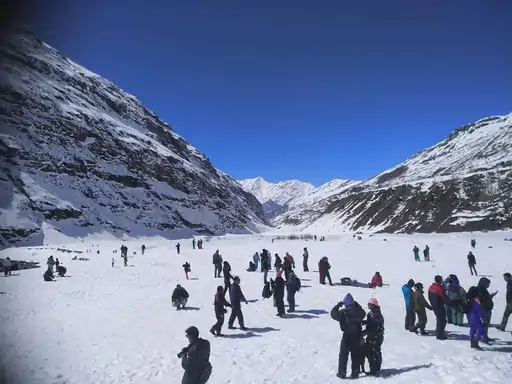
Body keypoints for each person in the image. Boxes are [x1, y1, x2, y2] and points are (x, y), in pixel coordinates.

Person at [330, 293, 366, 379]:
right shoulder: (358, 312)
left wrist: (338, 305)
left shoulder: (342, 312)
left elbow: (333, 314)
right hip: (356, 335)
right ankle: (355, 373)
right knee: (355, 354)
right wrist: (356, 304)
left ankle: (342, 373)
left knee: (343, 355)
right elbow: (363, 313)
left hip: (347, 336)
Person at [363, 298, 384, 376]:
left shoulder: (377, 315)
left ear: (374, 305)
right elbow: (370, 324)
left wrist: (365, 332)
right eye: (368, 304)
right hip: (371, 336)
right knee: (369, 353)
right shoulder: (371, 313)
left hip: (376, 337)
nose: (368, 305)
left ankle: (376, 369)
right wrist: (366, 322)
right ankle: (373, 368)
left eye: (370, 304)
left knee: (376, 352)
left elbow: (374, 327)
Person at [428, 275, 449, 340]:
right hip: (440, 307)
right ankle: (440, 335)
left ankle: (439, 333)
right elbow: (444, 297)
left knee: (439, 320)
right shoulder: (439, 288)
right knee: (442, 321)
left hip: (435, 306)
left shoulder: (431, 287)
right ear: (439, 280)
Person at [477, 277, 497, 343]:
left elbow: (485, 298)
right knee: (484, 324)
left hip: (486, 309)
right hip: (484, 309)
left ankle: (485, 337)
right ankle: (483, 338)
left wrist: (491, 296)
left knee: (485, 324)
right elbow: (483, 300)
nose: (488, 285)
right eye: (488, 284)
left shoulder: (483, 290)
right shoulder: (481, 290)